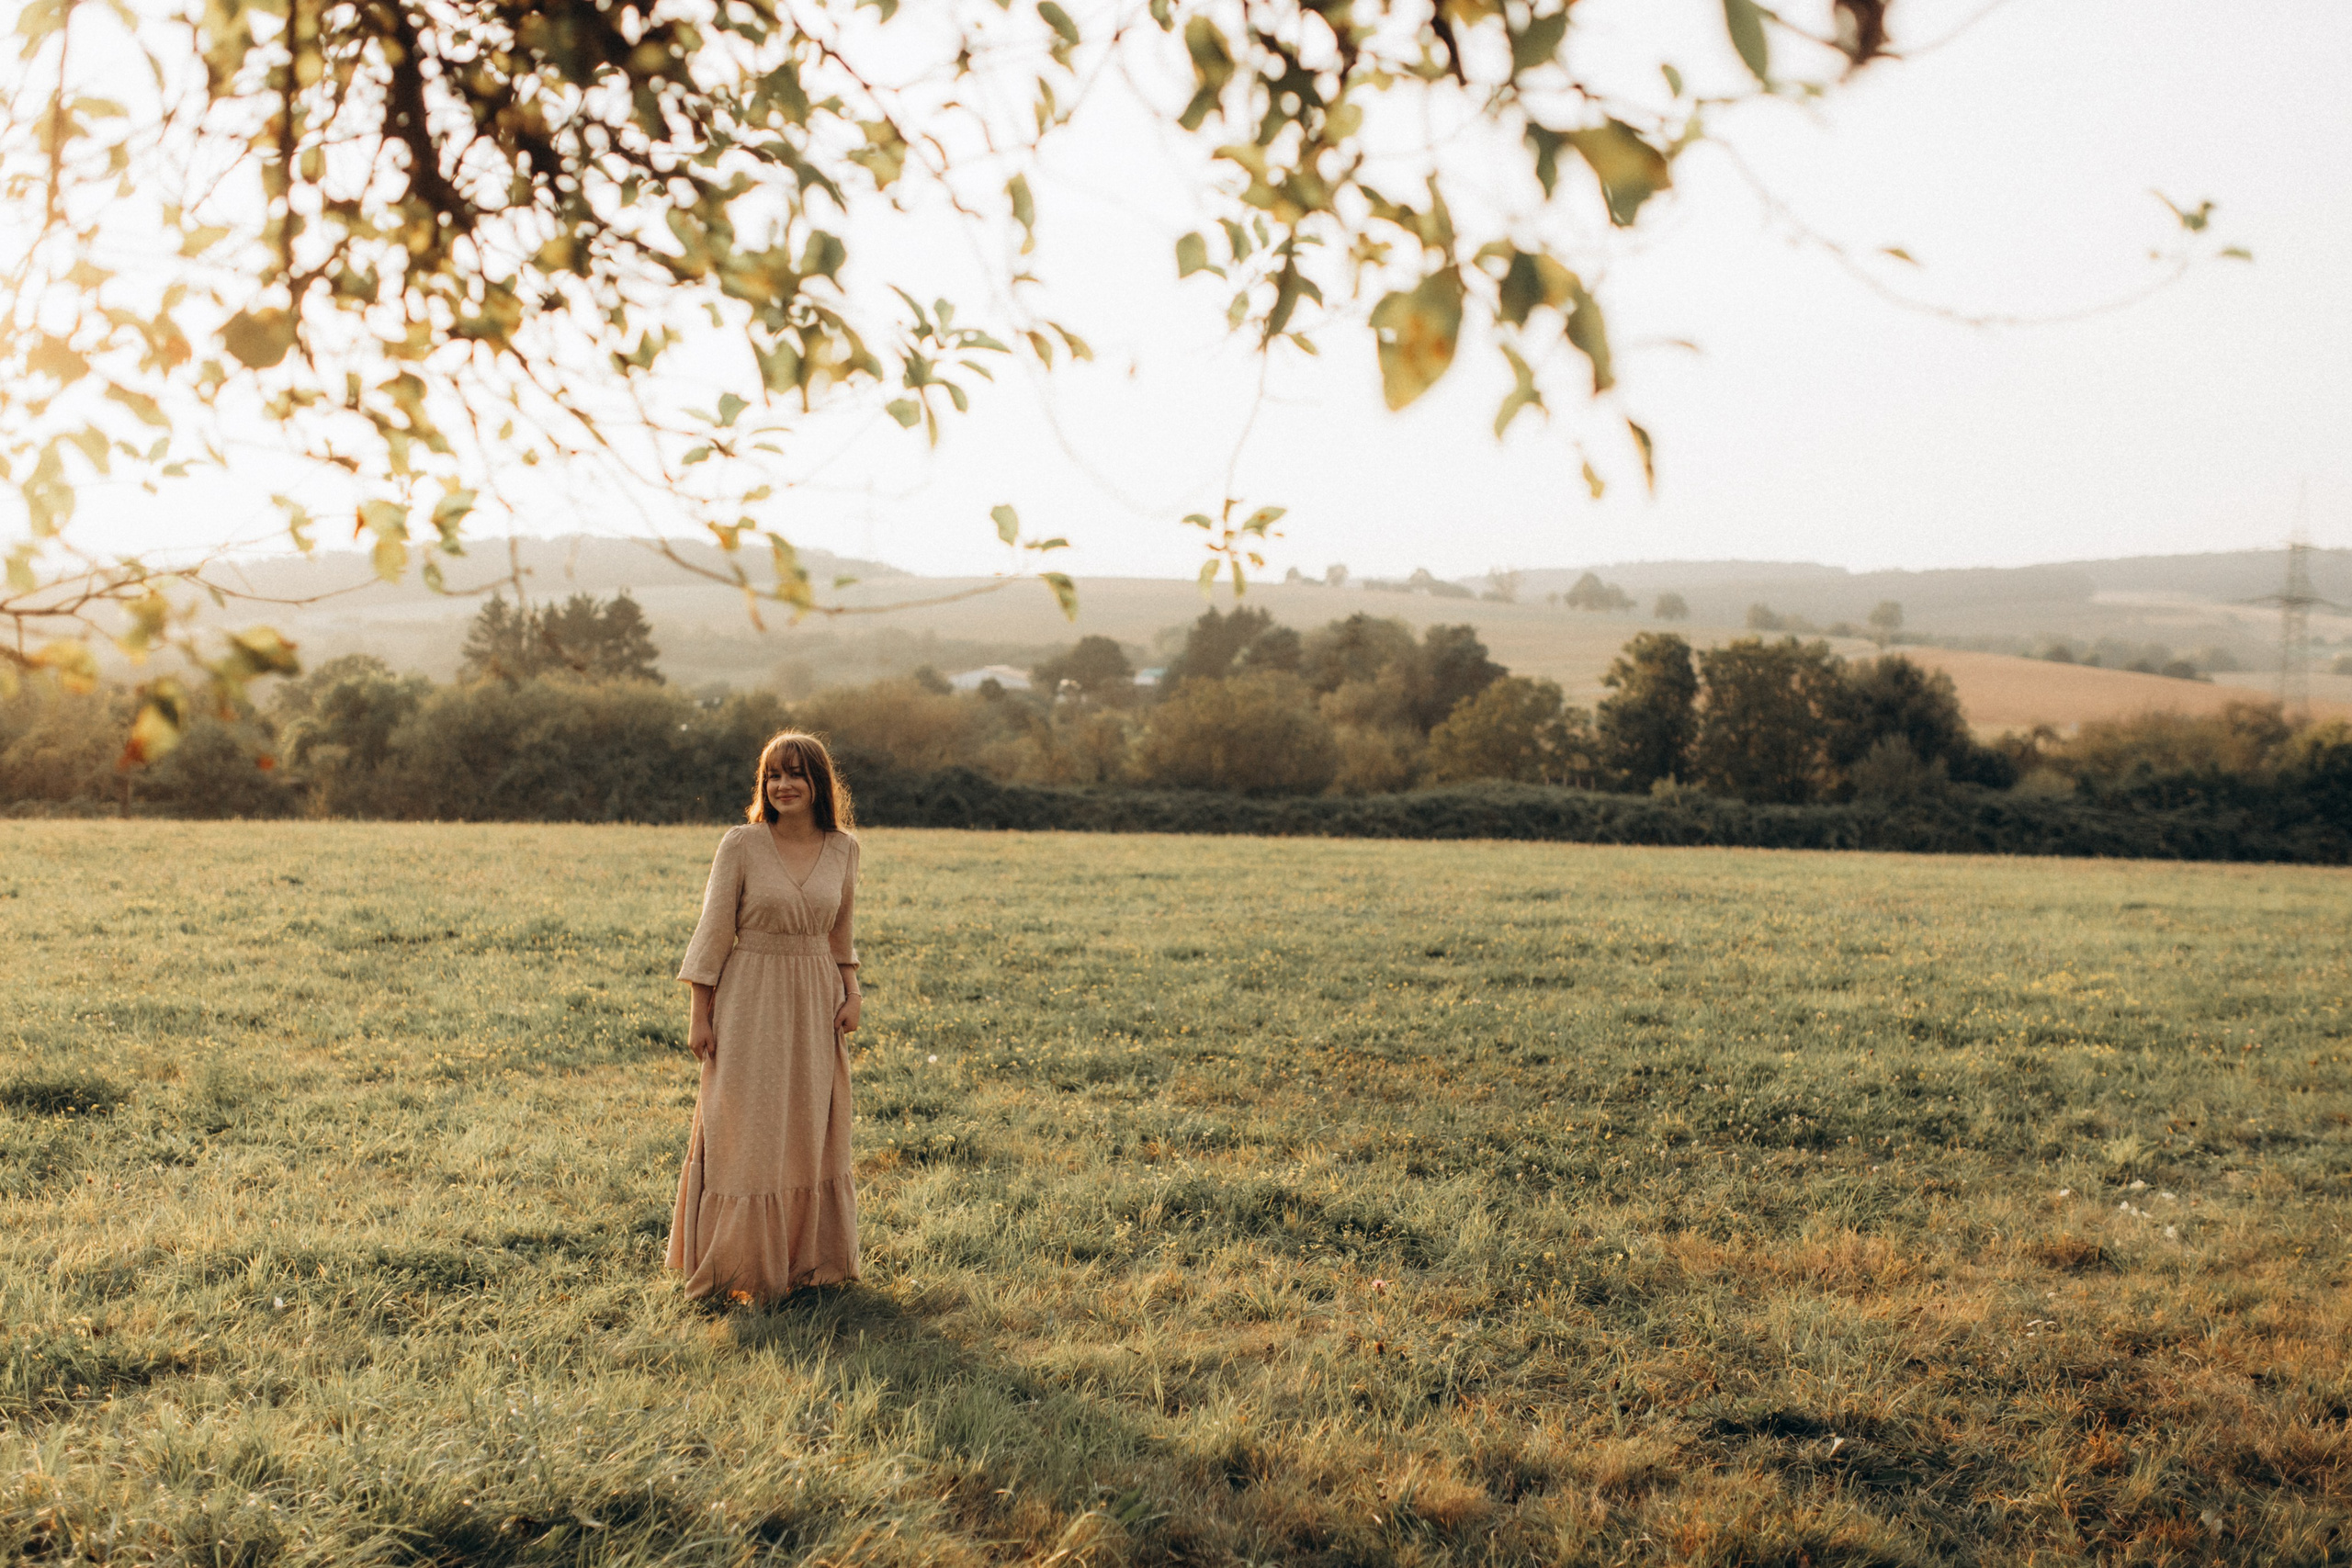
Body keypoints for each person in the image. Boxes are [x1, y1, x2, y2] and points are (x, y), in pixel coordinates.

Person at [665, 729, 864, 1303]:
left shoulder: (845, 848)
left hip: (816, 1001)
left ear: (818, 782)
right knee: (745, 1130)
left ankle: (810, 1264)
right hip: (748, 998)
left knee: (808, 1127)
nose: (783, 785)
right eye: (773, 775)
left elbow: (841, 934)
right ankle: (737, 1268)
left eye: (796, 774)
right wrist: (700, 1015)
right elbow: (712, 933)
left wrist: (853, 992)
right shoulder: (742, 844)